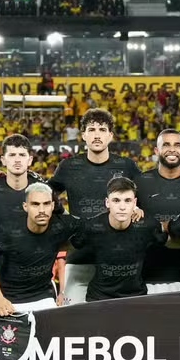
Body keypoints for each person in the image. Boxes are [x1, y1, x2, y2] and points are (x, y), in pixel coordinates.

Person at [49, 109, 142, 305]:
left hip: (119, 262)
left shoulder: (127, 166)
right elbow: (45, 193)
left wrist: (139, 207)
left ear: (110, 135)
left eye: (102, 129)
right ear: (83, 135)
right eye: (91, 129)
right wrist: (63, 217)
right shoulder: (68, 166)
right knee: (73, 324)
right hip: (79, 259)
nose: (97, 134)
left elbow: (148, 194)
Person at [0, 134, 57, 320]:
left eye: (22, 155)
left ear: (30, 159)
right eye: (12, 155)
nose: (17, 159)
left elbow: (62, 224)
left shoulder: (43, 189)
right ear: (3, 159)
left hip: (38, 288)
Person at [0, 183, 80, 316]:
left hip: (43, 297)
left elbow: (89, 229)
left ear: (53, 206)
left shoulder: (63, 225)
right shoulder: (7, 230)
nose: (41, 210)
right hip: (8, 298)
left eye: (46, 204)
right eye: (35, 204)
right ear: (25, 206)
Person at [73, 177, 167, 301]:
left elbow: (165, 239)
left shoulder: (148, 225)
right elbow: (74, 242)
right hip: (99, 297)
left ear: (134, 203)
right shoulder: (91, 226)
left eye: (127, 201)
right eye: (116, 200)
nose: (122, 207)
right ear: (107, 202)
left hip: (136, 296)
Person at [135, 129, 180, 293]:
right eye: (166, 144)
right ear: (156, 151)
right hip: (147, 277)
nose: (172, 149)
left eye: (177, 145)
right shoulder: (139, 182)